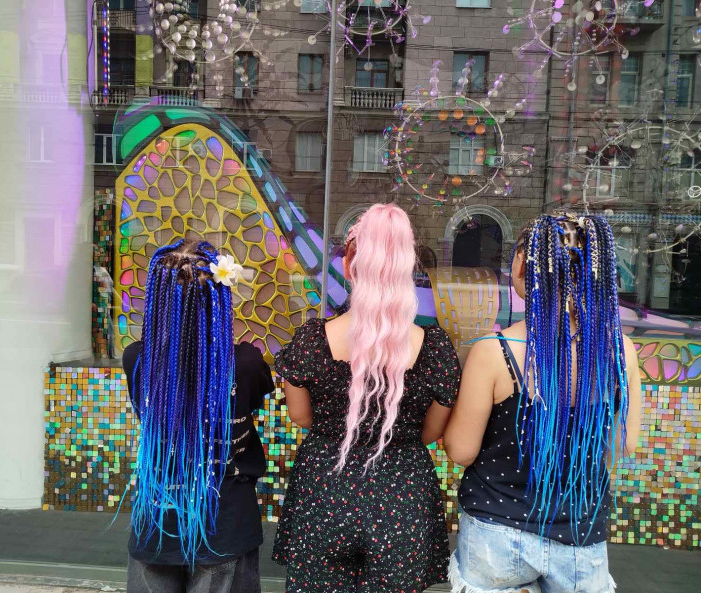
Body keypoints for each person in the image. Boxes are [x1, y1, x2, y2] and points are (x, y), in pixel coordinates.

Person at [443, 213, 643, 593]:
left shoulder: (494, 352)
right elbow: (622, 445)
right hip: (580, 535)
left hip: (496, 532)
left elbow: (461, 451)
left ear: (523, 264)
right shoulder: (622, 352)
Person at [272, 203, 461, 593]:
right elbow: (429, 434)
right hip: (403, 498)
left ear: (349, 265)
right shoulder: (435, 348)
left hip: (325, 495)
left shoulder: (311, 341)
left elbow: (301, 417)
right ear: (406, 268)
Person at [122, 239, 274, 593]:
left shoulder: (138, 359)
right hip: (226, 521)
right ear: (220, 298)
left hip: (157, 519)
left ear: (158, 298)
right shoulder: (246, 364)